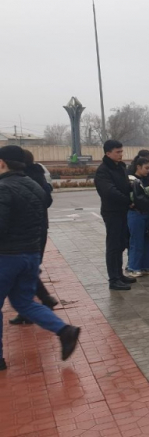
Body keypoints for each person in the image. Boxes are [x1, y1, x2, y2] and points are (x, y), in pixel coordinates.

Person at [0, 145, 81, 371]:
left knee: (20, 303)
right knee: (24, 302)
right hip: (31, 254)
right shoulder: (34, 186)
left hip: (7, 257)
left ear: (2, 163)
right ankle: (65, 331)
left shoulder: (3, 188)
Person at [9, 150, 58, 325]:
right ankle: (42, 301)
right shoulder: (35, 176)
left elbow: (46, 200)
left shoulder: (26, 178)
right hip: (34, 229)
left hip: (26, 233)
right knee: (28, 270)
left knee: (25, 271)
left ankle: (33, 307)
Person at [94, 140, 137, 291]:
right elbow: (109, 191)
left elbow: (124, 185)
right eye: (117, 152)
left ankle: (119, 274)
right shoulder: (103, 171)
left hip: (123, 210)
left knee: (121, 243)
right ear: (108, 153)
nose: (120, 154)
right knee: (113, 246)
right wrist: (127, 201)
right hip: (112, 212)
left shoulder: (120, 167)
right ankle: (113, 279)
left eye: (121, 151)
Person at [127, 156, 149, 277]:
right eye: (146, 168)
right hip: (136, 213)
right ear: (138, 167)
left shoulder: (148, 180)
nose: (148, 171)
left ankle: (146, 266)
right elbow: (133, 195)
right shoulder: (131, 180)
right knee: (137, 241)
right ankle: (133, 267)